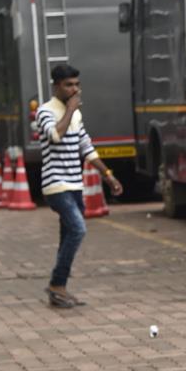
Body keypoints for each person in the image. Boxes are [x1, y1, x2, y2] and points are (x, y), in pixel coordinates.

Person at [36, 64, 123, 308]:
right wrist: (70, 109)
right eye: (68, 85)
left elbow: (86, 147)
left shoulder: (75, 114)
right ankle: (56, 283)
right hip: (55, 185)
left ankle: (59, 289)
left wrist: (108, 175)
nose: (74, 89)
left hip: (75, 184)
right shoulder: (45, 111)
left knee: (67, 236)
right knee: (78, 229)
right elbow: (55, 135)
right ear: (56, 86)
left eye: (77, 84)